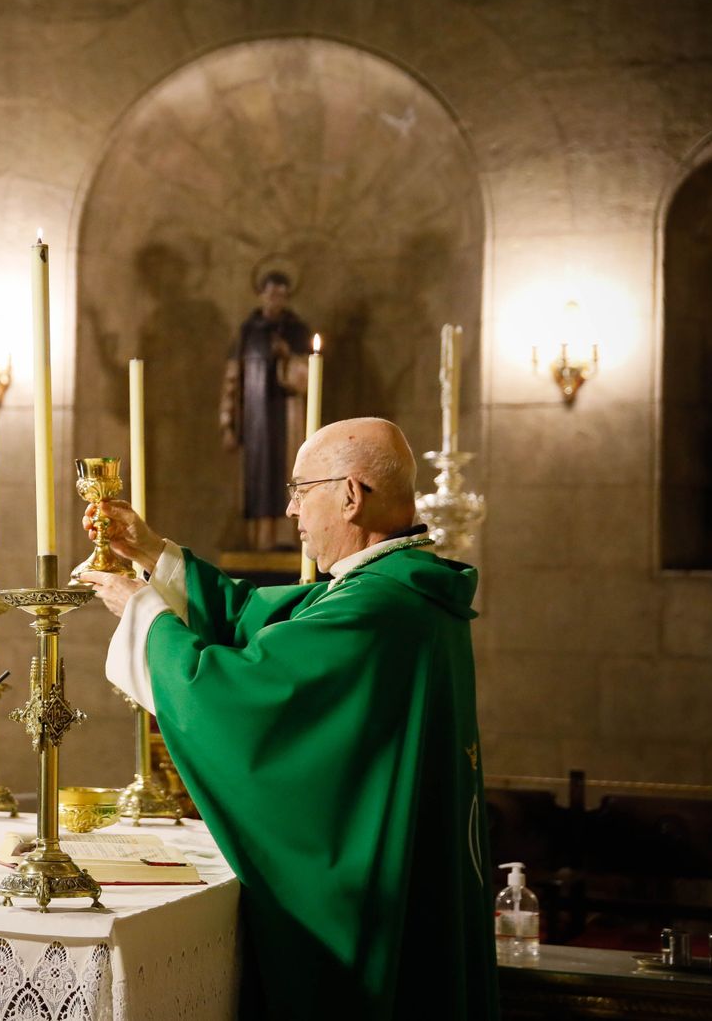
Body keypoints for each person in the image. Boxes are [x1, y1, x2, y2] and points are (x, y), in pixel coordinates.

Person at [79, 417, 497, 1021]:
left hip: (363, 903)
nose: (292, 511)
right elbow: (257, 615)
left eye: (302, 490)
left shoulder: (380, 605)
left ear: (350, 496)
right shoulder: (400, 590)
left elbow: (241, 696)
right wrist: (152, 553)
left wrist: (142, 611)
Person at [219, 271, 312, 551]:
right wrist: (228, 423)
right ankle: (258, 540)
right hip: (255, 417)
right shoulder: (249, 331)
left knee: (286, 470)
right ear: (261, 294)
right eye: (271, 293)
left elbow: (308, 376)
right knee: (258, 475)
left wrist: (288, 357)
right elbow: (232, 378)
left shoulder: (297, 330)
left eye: (282, 294)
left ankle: (286, 538)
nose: (276, 300)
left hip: (288, 414)